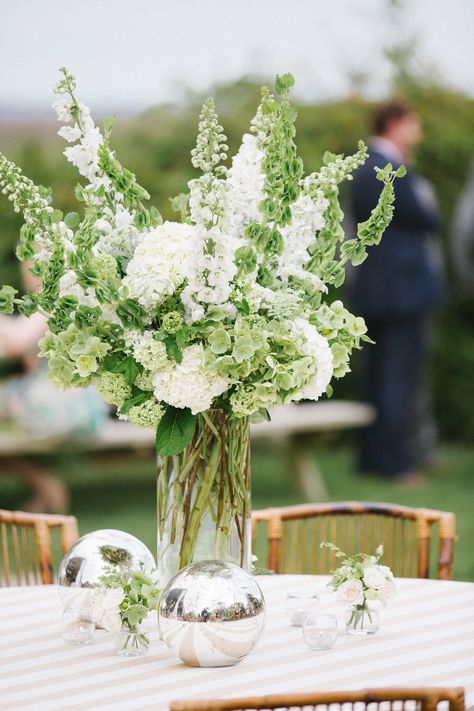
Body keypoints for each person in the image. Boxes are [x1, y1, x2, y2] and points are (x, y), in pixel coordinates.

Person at [349, 100, 445, 483]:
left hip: (374, 289)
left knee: (375, 376)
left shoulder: (360, 168)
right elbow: (426, 218)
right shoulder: (392, 169)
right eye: (413, 122)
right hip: (404, 291)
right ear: (394, 124)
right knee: (398, 378)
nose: (417, 131)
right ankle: (396, 463)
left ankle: (371, 456)